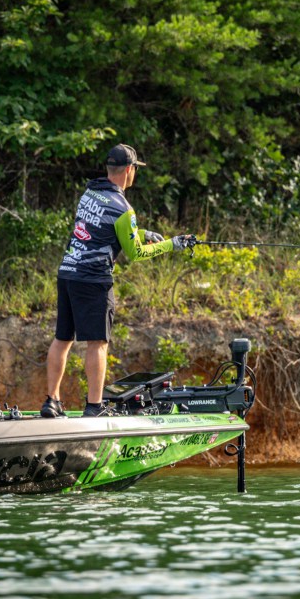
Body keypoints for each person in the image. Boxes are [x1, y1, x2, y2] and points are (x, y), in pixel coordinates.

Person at [42, 144, 195, 418]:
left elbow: (99, 228)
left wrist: (142, 232)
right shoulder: (124, 209)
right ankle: (94, 406)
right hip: (93, 280)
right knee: (98, 343)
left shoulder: (90, 193)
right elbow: (135, 254)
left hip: (67, 273)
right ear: (128, 170)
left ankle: (52, 401)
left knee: (62, 338)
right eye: (135, 168)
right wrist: (172, 244)